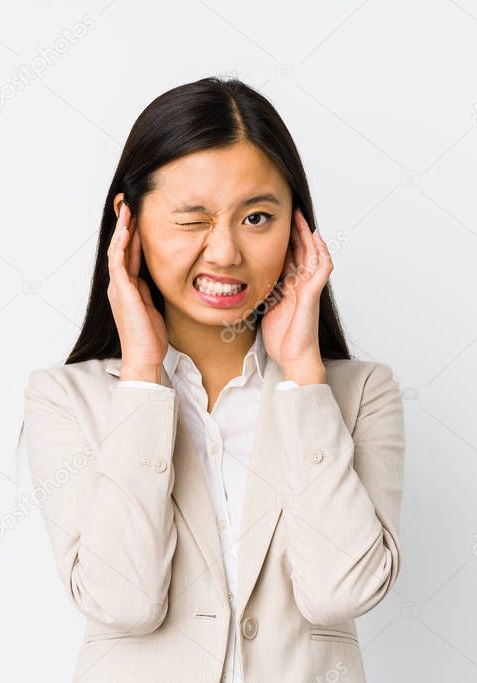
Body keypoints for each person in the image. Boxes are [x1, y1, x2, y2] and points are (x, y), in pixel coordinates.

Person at [22, 76, 406, 682]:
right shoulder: (69, 399)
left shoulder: (359, 394)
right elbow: (123, 602)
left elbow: (342, 592)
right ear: (130, 223)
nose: (225, 252)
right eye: (191, 219)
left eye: (257, 217)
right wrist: (145, 381)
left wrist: (304, 375)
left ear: (298, 228)